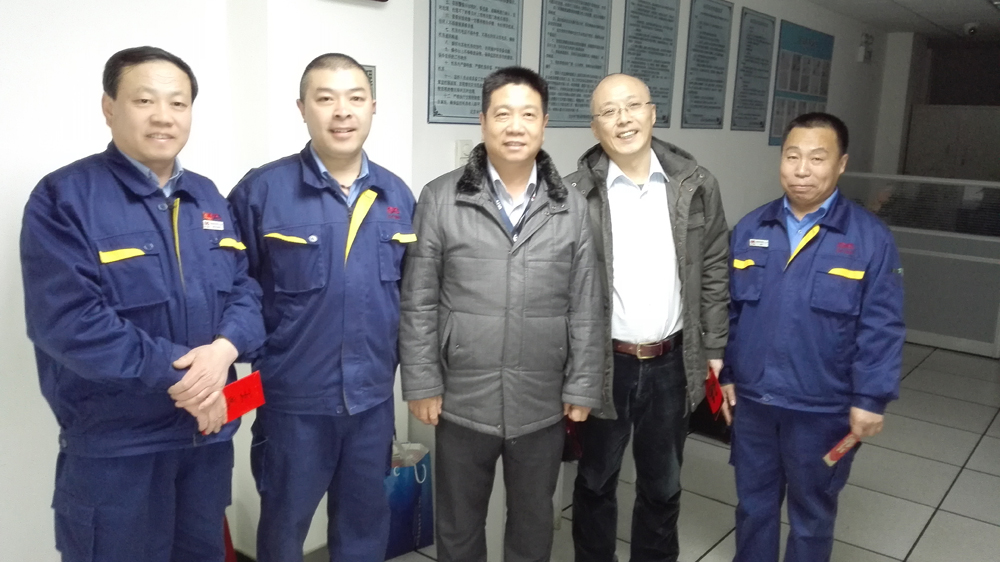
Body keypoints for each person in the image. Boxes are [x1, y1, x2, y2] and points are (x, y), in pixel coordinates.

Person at [20, 46, 265, 562]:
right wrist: (190, 379)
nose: (163, 116)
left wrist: (224, 351)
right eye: (145, 100)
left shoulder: (207, 196)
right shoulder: (65, 197)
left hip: (206, 440)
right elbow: (69, 323)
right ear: (109, 108)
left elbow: (244, 289)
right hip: (118, 450)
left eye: (178, 103)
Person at [399, 66, 603, 562]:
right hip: (461, 396)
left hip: (541, 399)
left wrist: (582, 385)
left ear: (544, 123)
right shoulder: (441, 197)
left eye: (528, 115)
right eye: (503, 114)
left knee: (533, 525)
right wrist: (422, 382)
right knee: (458, 525)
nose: (515, 126)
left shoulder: (572, 207)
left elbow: (586, 303)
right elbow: (419, 297)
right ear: (483, 120)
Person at [227, 53, 415, 562]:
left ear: (373, 107)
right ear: (302, 108)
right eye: (325, 98)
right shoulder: (262, 192)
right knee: (284, 529)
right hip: (293, 405)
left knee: (364, 530)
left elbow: (412, 299)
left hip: (371, 403)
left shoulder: (396, 195)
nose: (342, 111)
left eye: (355, 98)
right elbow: (233, 289)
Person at [721, 112, 905, 562]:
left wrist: (871, 398)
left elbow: (882, 324)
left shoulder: (870, 239)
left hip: (822, 408)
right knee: (754, 506)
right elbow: (729, 312)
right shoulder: (751, 229)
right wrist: (725, 373)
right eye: (792, 156)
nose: (802, 170)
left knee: (812, 513)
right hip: (754, 402)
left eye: (817, 158)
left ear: (841, 164)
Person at [565, 73, 730, 562]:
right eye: (608, 112)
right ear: (595, 127)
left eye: (633, 106)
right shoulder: (574, 194)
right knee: (595, 481)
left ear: (653, 113)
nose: (623, 119)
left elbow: (715, 266)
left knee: (663, 485)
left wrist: (714, 346)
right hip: (603, 365)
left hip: (671, 363)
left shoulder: (696, 185)